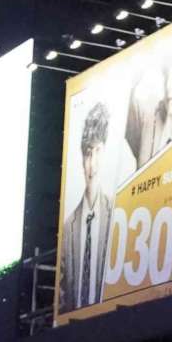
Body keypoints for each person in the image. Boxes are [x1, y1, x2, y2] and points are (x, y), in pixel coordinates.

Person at [61, 103, 115, 313]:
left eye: (98, 151)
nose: (92, 163)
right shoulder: (68, 228)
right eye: (87, 153)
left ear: (106, 151)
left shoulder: (116, 216)